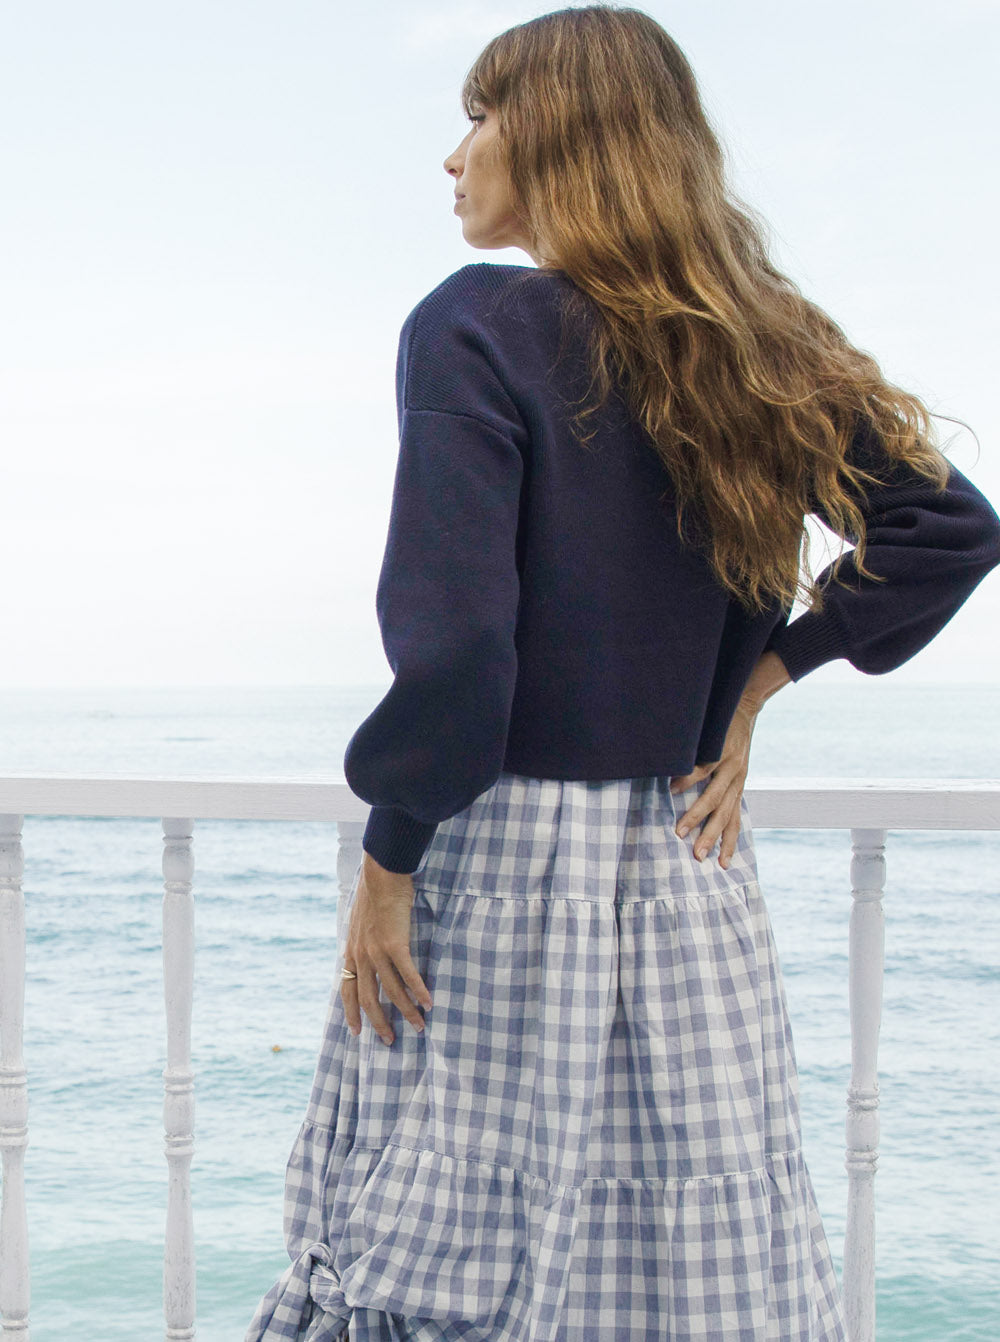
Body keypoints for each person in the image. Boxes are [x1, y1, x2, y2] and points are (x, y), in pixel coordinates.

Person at [245, 7, 1000, 1341]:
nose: (455, 153)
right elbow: (951, 529)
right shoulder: (748, 337)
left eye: (480, 115)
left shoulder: (476, 324)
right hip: (683, 871)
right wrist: (759, 679)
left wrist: (387, 863)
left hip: (505, 878)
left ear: (559, 137)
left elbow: (464, 646)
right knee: (682, 1274)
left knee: (454, 1248)